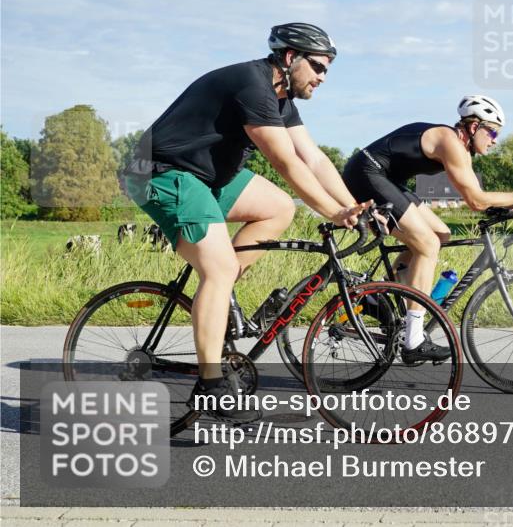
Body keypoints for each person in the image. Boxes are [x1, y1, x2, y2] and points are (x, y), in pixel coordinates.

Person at [124, 23, 371, 423]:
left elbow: (314, 158)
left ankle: (218, 299)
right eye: (319, 67)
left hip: (204, 177)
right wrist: (332, 212)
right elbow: (285, 162)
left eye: (328, 70)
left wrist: (355, 205)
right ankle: (210, 383)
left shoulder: (281, 99)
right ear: (290, 58)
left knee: (278, 207)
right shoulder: (252, 85)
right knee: (219, 268)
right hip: (161, 172)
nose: (324, 77)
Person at [342, 95, 513, 361]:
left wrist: (508, 207)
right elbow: (477, 201)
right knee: (427, 244)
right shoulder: (450, 142)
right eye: (492, 131)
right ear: (474, 127)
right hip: (366, 174)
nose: (495, 139)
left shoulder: (461, 149)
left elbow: (477, 196)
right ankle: (413, 341)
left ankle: (382, 296)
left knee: (441, 234)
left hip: (387, 179)